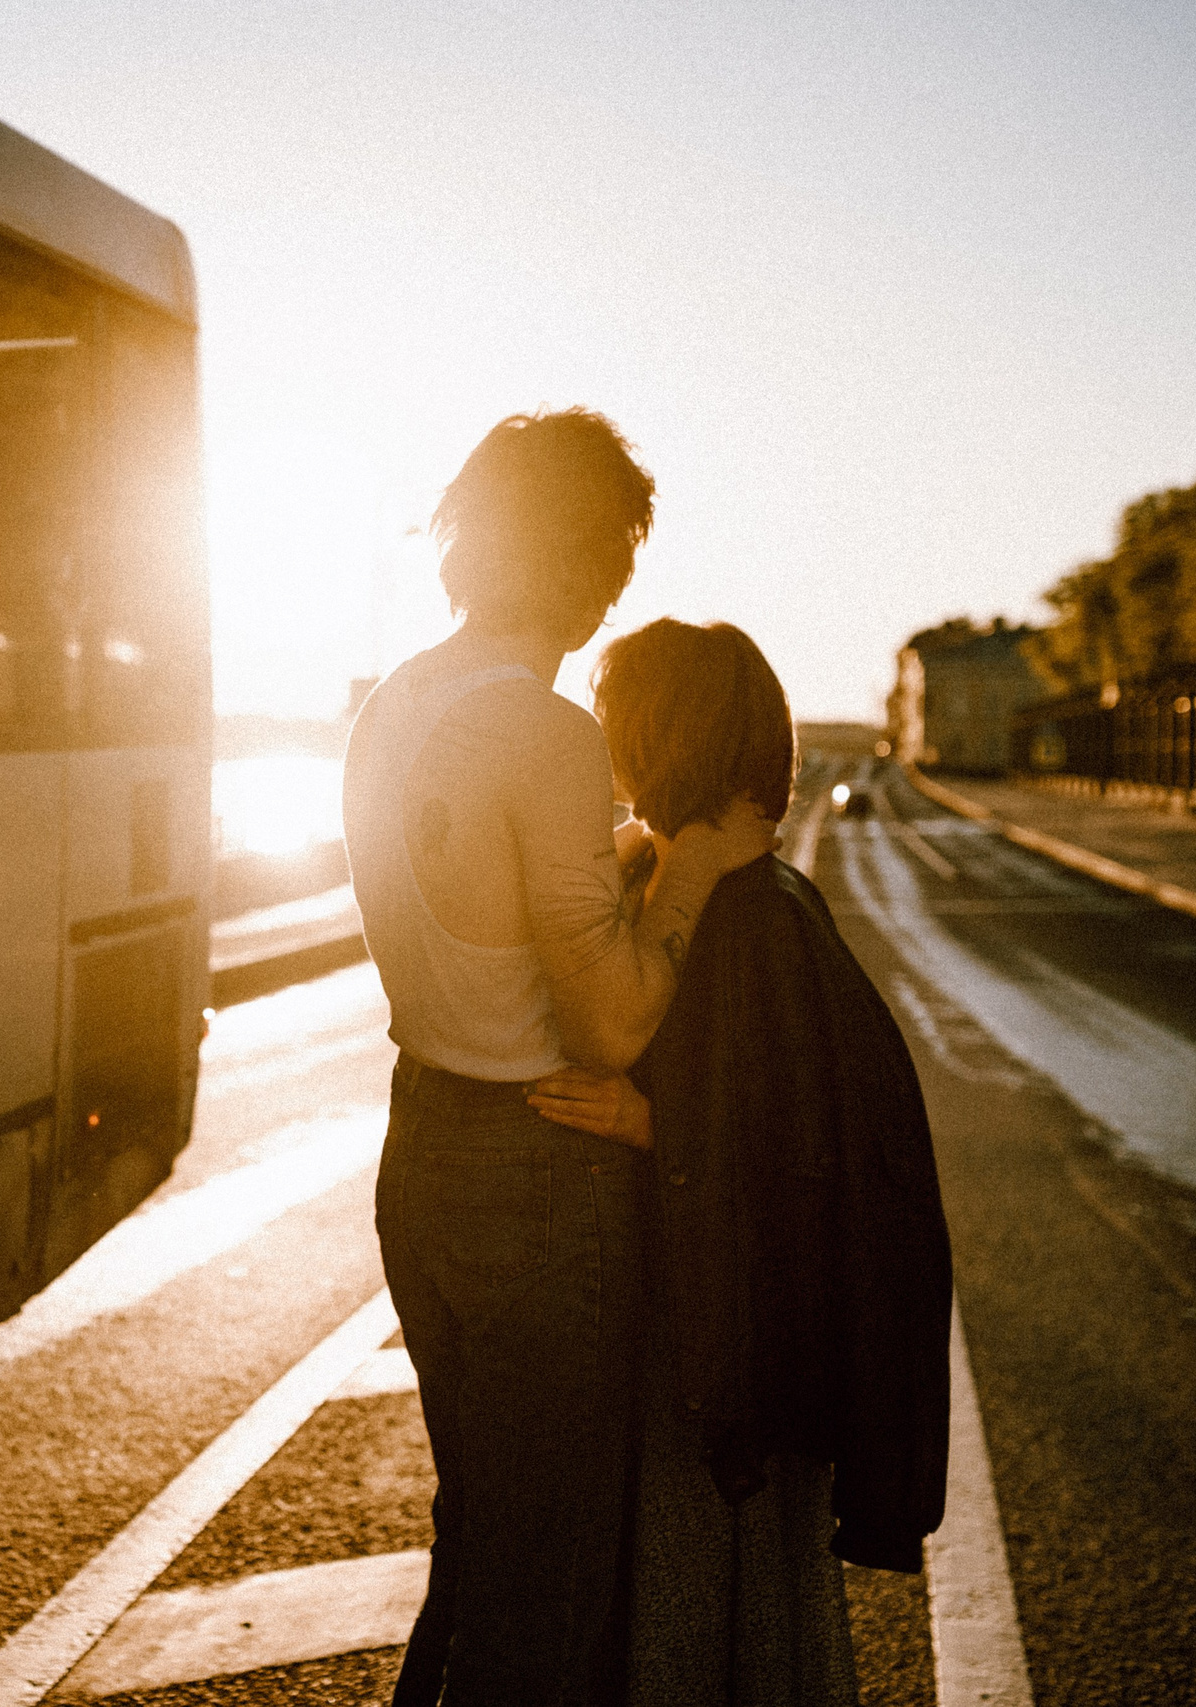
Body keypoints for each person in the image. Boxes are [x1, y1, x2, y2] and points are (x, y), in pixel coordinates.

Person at [342, 410, 776, 1706]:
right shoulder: (544, 731)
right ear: (600, 563)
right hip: (535, 1170)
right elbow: (617, 1024)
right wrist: (690, 860)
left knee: (477, 1543)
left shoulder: (392, 702)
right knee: (552, 1590)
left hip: (419, 1142)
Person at [528, 619, 955, 1706]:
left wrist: (651, 1130)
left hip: (723, 1371)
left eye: (613, 722)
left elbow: (815, 1159)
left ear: (661, 740)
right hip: (715, 1353)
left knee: (711, 1631)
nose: (599, 747)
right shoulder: (713, 891)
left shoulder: (754, 919)